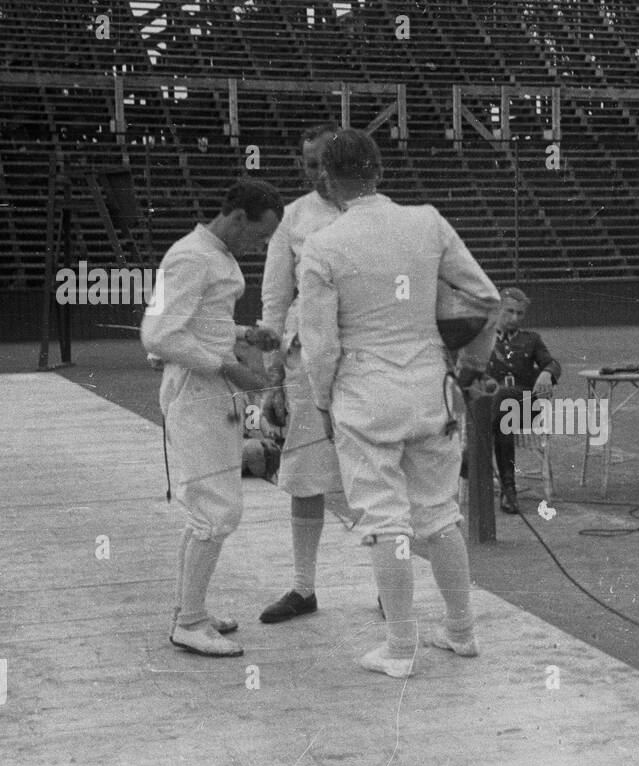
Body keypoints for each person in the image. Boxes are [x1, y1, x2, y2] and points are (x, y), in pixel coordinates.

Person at [298, 129, 500, 678]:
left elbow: (320, 345)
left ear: (328, 180)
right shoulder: (427, 222)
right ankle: (462, 631)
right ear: (379, 171)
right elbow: (488, 298)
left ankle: (400, 646)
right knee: (438, 514)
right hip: (430, 385)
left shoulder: (322, 246)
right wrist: (470, 367)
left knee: (386, 521)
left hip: (364, 394)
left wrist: (322, 401)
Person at [141, 180, 284, 657]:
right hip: (195, 392)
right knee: (215, 509)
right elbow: (158, 335)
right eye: (260, 236)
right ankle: (188, 621)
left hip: (211, 392)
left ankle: (191, 611)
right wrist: (226, 364)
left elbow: (201, 320)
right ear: (239, 216)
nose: (261, 246)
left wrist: (245, 333)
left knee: (210, 508)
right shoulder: (190, 256)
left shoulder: (214, 254)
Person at [256, 122, 348, 625]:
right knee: (307, 475)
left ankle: (387, 585)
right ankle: (303, 587)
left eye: (326, 163)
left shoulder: (375, 214)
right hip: (306, 363)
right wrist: (272, 378)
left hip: (362, 362)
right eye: (309, 164)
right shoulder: (293, 217)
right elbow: (275, 301)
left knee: (374, 474)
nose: (318, 174)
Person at [485, 286, 561, 514]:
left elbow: (553, 363)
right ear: (497, 309)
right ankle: (509, 491)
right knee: (503, 418)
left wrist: (547, 372)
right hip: (501, 412)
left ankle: (473, 455)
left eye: (520, 314)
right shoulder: (483, 338)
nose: (515, 318)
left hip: (527, 408)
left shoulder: (531, 340)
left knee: (504, 397)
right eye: (509, 312)